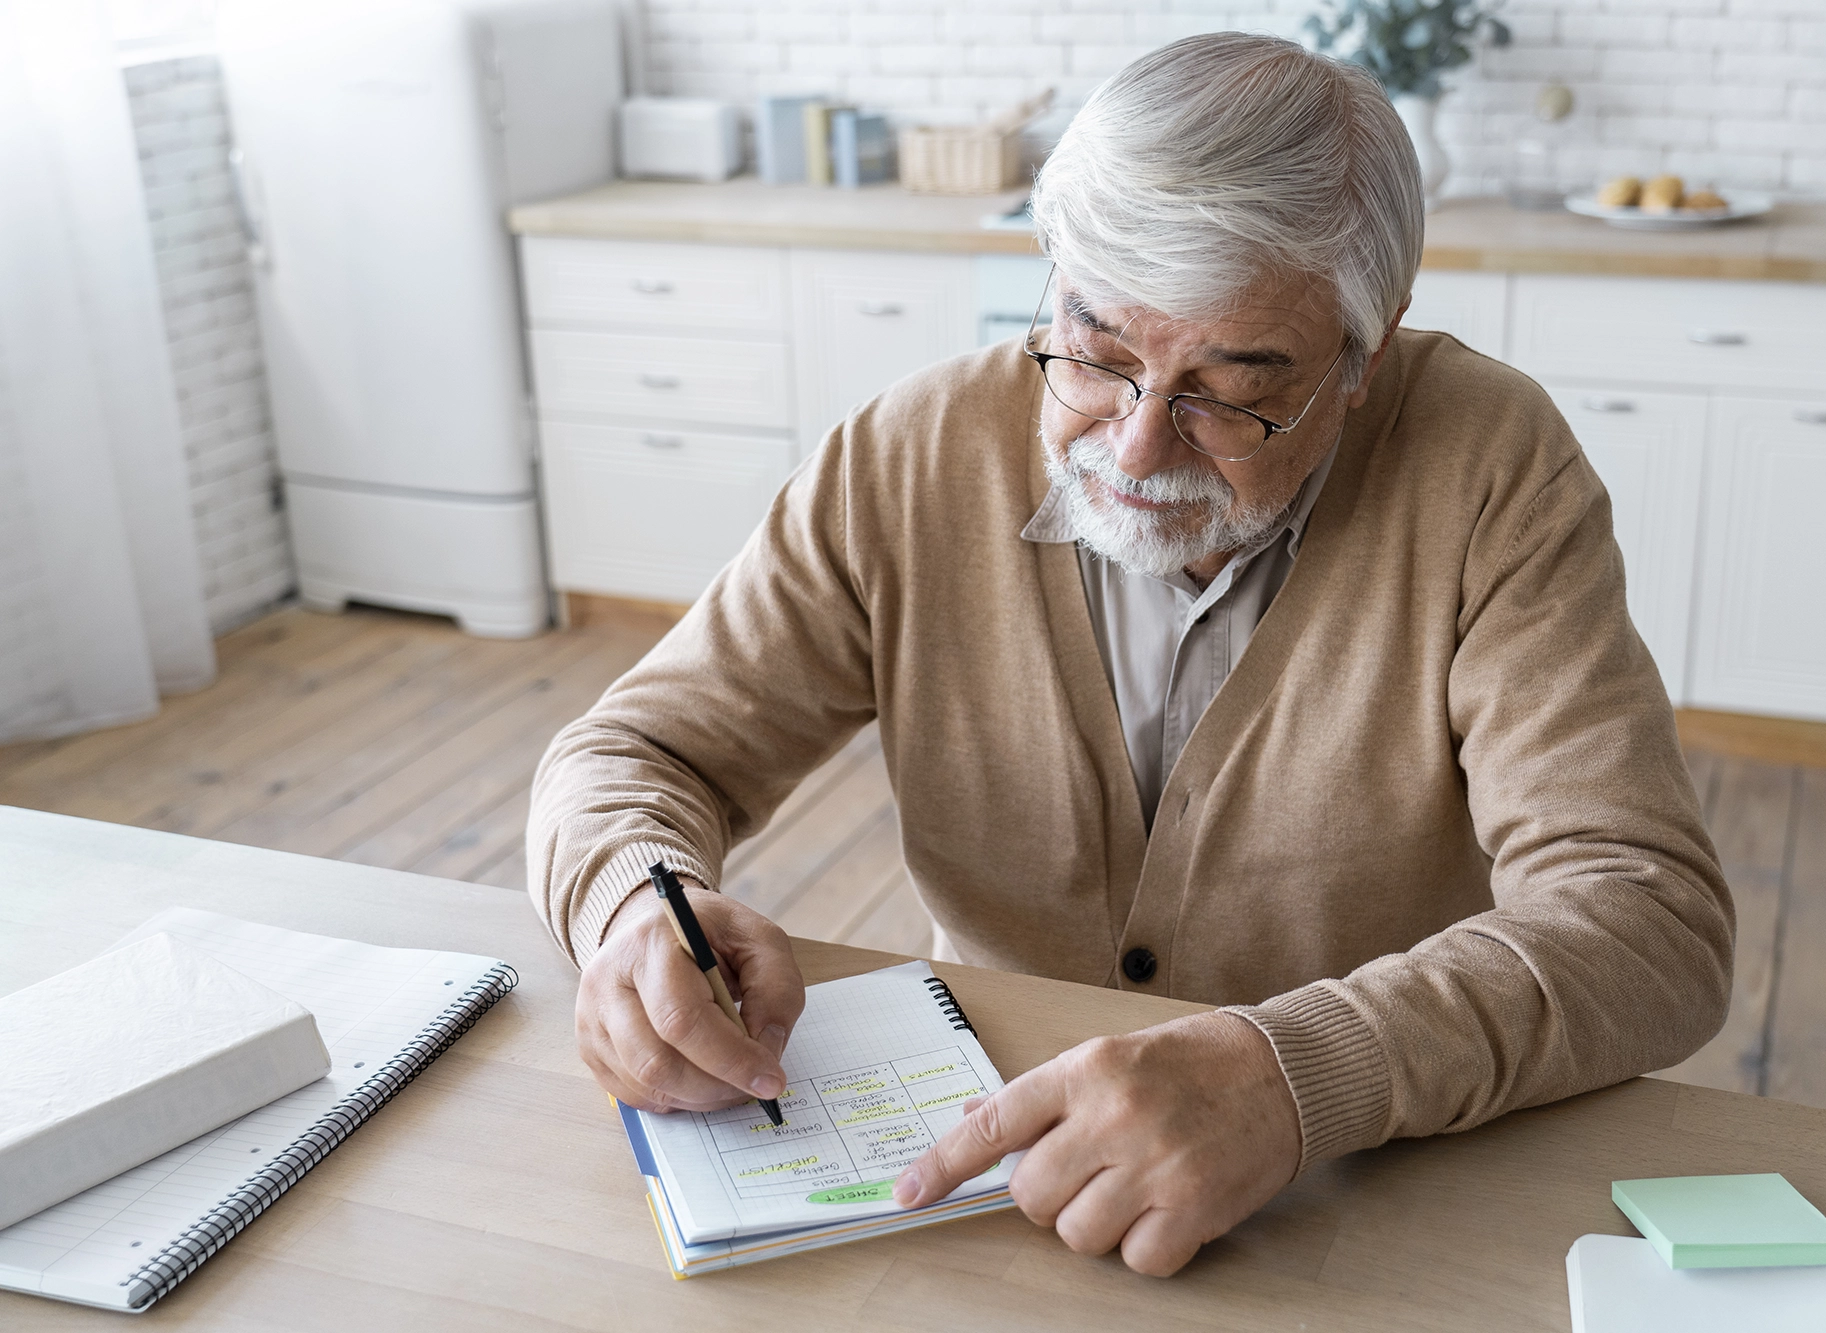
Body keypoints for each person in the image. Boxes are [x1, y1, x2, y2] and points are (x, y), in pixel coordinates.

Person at [527, 33, 1732, 1278]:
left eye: (1228, 390)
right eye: (1097, 355)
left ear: (1365, 351)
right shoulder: (908, 452)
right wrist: (631, 903)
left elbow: (1645, 920)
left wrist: (1293, 1073)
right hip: (987, 1181)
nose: (1140, 448)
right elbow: (633, 749)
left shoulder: (1490, 468)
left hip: (1352, 1185)